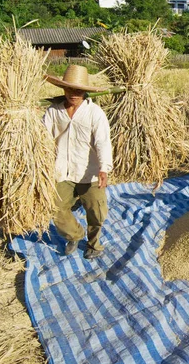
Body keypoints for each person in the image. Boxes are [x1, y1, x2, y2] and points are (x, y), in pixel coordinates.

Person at [43, 65, 113, 259]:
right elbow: (43, 138)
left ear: (85, 91)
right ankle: (75, 234)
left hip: (88, 171)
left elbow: (102, 142)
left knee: (97, 212)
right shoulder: (53, 112)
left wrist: (104, 168)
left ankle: (94, 244)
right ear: (63, 89)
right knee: (54, 208)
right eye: (70, 89)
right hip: (61, 171)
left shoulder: (95, 113)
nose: (73, 94)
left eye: (78, 90)